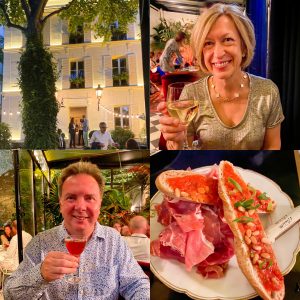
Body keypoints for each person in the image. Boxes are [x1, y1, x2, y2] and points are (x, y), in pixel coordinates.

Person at [4, 162, 150, 300]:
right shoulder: (41, 242)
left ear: (99, 204)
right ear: (61, 203)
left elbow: (137, 284)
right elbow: (9, 294)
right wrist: (40, 274)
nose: (80, 207)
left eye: (89, 198)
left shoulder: (114, 240)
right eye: (71, 197)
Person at [158, 3, 284, 150]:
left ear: (243, 47)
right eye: (208, 43)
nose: (218, 53)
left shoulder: (268, 91)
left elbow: (273, 147)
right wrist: (177, 142)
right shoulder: (191, 94)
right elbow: (186, 153)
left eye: (228, 40)